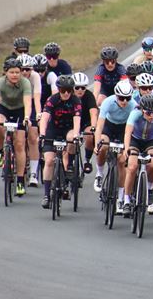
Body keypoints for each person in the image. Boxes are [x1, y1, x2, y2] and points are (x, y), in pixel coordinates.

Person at [0, 58, 32, 196]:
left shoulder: (25, 83)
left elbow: (27, 103)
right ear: (5, 73)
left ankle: (20, 180)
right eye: (11, 72)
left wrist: (26, 118)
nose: (15, 75)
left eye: (17, 72)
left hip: (20, 110)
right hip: (4, 108)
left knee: (19, 144)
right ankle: (1, 151)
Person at [38, 74, 82, 209]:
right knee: (49, 160)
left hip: (67, 129)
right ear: (59, 89)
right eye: (63, 90)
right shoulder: (52, 99)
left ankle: (69, 167)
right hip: (53, 129)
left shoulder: (76, 101)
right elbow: (44, 118)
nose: (66, 93)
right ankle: (46, 195)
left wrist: (76, 135)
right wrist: (42, 134)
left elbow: (77, 120)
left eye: (69, 90)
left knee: (71, 140)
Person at [93, 80, 135, 213]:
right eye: (121, 98)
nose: (124, 101)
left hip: (124, 129)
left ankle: (121, 197)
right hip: (108, 127)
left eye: (127, 98)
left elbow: (133, 128)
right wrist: (96, 144)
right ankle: (99, 174)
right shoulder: (108, 102)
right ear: (116, 96)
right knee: (103, 147)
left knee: (122, 161)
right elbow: (99, 126)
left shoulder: (133, 105)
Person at [123, 94, 153, 216]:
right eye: (148, 113)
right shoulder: (135, 114)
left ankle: (150, 190)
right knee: (132, 167)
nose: (152, 116)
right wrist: (126, 149)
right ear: (142, 110)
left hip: (150, 142)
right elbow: (127, 132)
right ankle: (126, 199)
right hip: (135, 141)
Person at [18, 53, 42, 186]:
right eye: (23, 69)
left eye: (28, 69)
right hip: (17, 104)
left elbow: (37, 98)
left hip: (31, 104)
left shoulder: (35, 77)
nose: (25, 72)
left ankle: (33, 174)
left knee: (33, 136)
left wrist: (38, 114)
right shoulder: (14, 77)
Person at [73, 72, 98, 174]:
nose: (80, 90)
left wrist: (93, 127)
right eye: (77, 87)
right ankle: (70, 162)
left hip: (85, 122)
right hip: (72, 122)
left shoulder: (89, 95)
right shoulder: (68, 95)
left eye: (83, 88)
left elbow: (93, 113)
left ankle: (87, 159)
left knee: (90, 136)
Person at [40, 42, 72, 108]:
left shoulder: (64, 65)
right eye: (49, 57)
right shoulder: (43, 67)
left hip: (62, 92)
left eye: (54, 56)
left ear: (58, 56)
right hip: (46, 93)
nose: (51, 59)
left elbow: (69, 82)